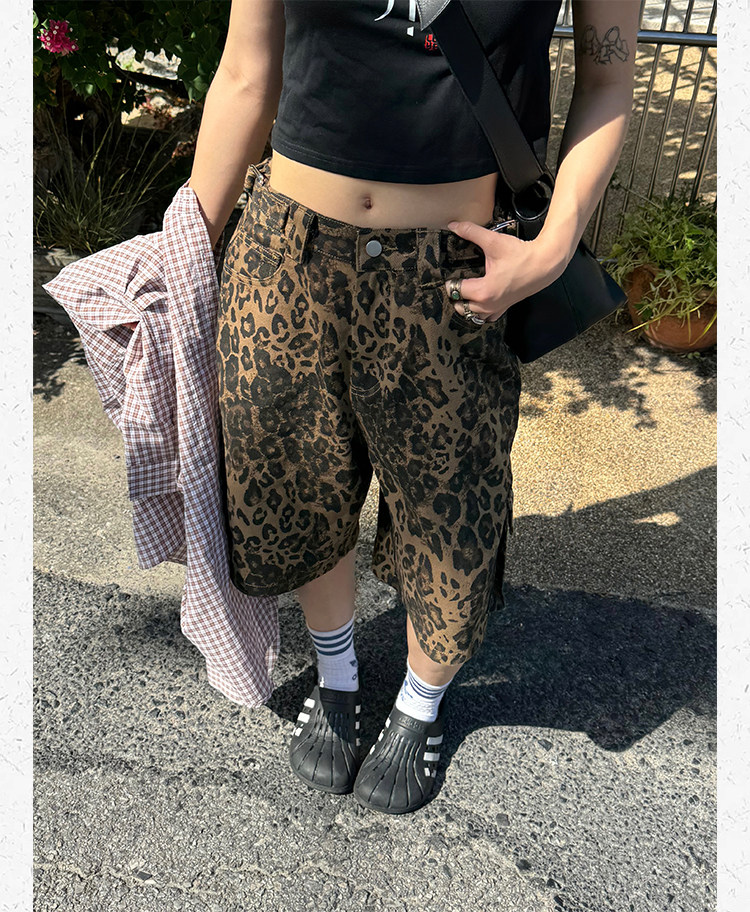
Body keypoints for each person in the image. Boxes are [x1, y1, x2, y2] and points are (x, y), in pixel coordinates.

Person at [187, 0, 639, 815]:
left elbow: (607, 81)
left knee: (453, 509)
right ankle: (336, 677)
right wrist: (183, 248)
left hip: (458, 274)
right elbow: (246, 72)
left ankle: (419, 705)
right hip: (286, 254)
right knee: (301, 486)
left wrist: (550, 250)